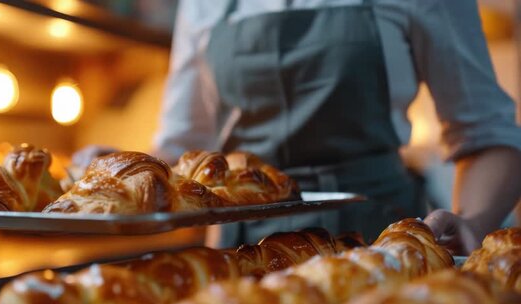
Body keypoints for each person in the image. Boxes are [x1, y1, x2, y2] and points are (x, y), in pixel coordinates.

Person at [151, 0, 521, 253]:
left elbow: (488, 134)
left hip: (379, 248)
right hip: (242, 257)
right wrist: (106, 173)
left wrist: (472, 221)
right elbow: (178, 154)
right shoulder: (202, 4)